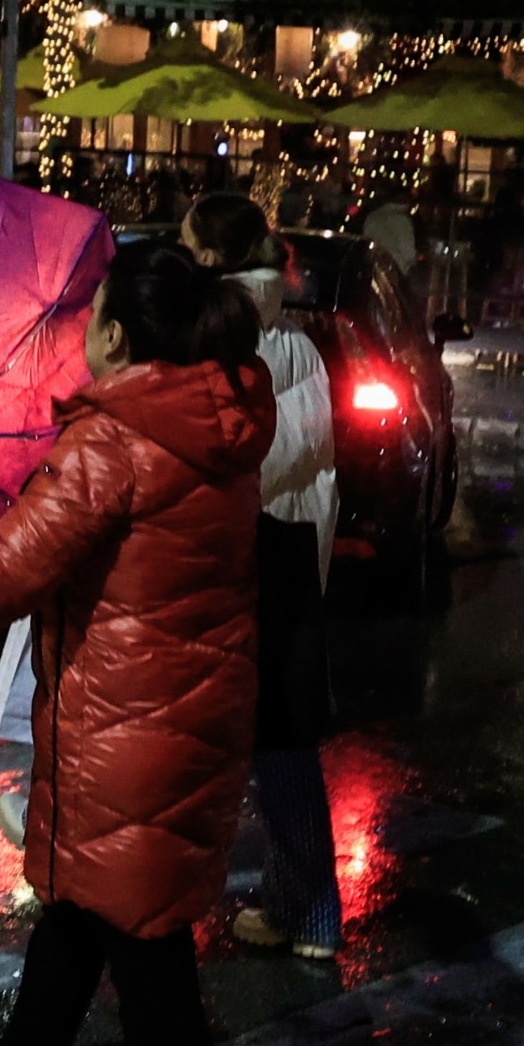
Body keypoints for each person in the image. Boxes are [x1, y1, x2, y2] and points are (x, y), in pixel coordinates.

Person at [0, 240, 275, 1046]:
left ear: (117, 336)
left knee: (148, 964)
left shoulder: (114, 441)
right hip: (183, 720)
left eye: (93, 310)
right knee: (81, 910)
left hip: (127, 734)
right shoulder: (213, 420)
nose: (82, 328)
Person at [183, 194, 344, 961]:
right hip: (292, 554)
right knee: (280, 737)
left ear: (214, 259)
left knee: (247, 734)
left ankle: (300, 905)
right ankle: (302, 906)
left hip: (257, 554)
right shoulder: (294, 342)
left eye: (188, 245)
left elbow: (247, 460)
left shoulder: (230, 340)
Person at [362, 187, 420, 275]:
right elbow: (408, 253)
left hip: (371, 270)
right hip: (393, 273)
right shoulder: (402, 220)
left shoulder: (372, 216)